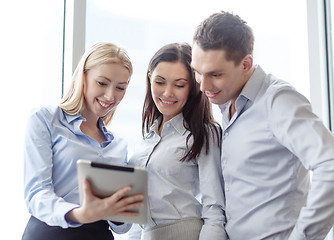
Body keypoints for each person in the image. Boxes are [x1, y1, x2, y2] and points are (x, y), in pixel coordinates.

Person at [191, 11, 334, 240]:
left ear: (246, 64)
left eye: (215, 74)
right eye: (197, 72)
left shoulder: (278, 100)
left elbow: (330, 164)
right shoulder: (228, 103)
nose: (203, 85)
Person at [22, 42, 144, 240]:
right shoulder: (45, 119)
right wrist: (80, 214)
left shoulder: (118, 146)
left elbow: (122, 228)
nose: (110, 96)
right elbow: (36, 193)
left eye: (120, 87)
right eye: (102, 83)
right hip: (50, 233)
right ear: (83, 77)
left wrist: (121, 210)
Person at [127, 42, 227, 240]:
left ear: (193, 88)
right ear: (150, 80)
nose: (167, 93)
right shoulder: (147, 138)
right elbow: (137, 214)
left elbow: (214, 209)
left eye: (179, 85)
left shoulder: (204, 133)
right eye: (160, 82)